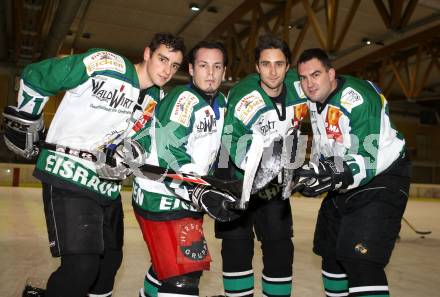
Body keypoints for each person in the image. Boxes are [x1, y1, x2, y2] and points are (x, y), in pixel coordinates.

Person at [3, 32, 185, 297]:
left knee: (108, 266)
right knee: (82, 267)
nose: (167, 70)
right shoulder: (107, 64)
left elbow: (138, 139)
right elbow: (38, 74)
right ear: (147, 53)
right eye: (163, 59)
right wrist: (27, 114)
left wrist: (129, 153)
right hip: (68, 174)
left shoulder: (154, 97)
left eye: (174, 65)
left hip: (106, 186)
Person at [295, 48, 411, 297]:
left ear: (331, 73)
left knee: (360, 261)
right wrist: (313, 171)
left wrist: (325, 173)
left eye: (315, 74)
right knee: (331, 256)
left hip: (380, 178)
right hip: (344, 181)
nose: (309, 83)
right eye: (303, 78)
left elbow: (366, 158)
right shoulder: (316, 99)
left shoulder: (357, 99)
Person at [131, 40, 237, 297]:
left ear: (224, 71)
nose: (210, 73)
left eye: (217, 67)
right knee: (184, 277)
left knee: (165, 266)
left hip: (187, 197)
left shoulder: (222, 102)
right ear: (191, 69)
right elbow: (170, 151)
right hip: (162, 196)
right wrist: (199, 188)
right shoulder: (183, 100)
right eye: (203, 66)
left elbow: (226, 145)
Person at [214, 34, 308, 297]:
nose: (273, 71)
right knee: (237, 248)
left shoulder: (299, 86)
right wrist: (267, 168)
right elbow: (232, 139)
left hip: (274, 184)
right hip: (237, 180)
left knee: (280, 248)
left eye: (279, 64)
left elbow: (319, 88)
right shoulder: (245, 96)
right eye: (266, 64)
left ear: (288, 66)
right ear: (257, 67)